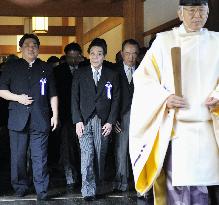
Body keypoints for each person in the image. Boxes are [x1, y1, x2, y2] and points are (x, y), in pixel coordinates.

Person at [129, 0, 219, 204]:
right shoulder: (164, 41)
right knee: (175, 188)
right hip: (176, 128)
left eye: (201, 10)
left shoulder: (217, 41)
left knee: (203, 188)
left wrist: (218, 95)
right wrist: (164, 98)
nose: (197, 15)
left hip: (208, 128)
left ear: (208, 11)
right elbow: (143, 78)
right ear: (179, 13)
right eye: (191, 10)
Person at [0, 33, 58, 201]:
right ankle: (20, 187)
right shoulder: (11, 67)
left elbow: (52, 93)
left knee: (40, 156)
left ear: (38, 49)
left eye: (34, 45)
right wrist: (19, 98)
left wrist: (55, 114)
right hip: (18, 118)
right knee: (18, 156)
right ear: (21, 48)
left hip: (40, 118)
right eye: (27, 45)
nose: (31, 48)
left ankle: (42, 189)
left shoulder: (46, 68)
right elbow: (2, 90)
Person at [71, 38, 120, 201]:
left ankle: (99, 185)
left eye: (99, 54)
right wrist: (77, 120)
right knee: (87, 154)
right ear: (88, 55)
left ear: (104, 56)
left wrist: (111, 121)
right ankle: (87, 190)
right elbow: (74, 98)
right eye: (92, 53)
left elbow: (116, 100)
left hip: (103, 121)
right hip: (84, 120)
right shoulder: (80, 73)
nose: (95, 57)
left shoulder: (111, 75)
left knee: (100, 154)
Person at [54, 42, 83, 193]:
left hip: (83, 116)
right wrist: (56, 115)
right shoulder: (58, 71)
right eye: (70, 57)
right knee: (67, 148)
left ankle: (84, 176)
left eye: (76, 57)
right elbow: (55, 95)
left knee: (83, 147)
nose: (73, 60)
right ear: (66, 56)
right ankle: (70, 178)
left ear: (80, 56)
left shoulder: (86, 69)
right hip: (65, 115)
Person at [113, 39, 140, 192]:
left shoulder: (143, 70)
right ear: (122, 53)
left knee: (140, 149)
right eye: (128, 53)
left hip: (140, 115)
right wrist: (113, 118)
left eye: (134, 53)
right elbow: (109, 98)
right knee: (121, 150)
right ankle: (121, 182)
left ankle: (139, 182)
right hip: (121, 115)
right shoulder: (113, 71)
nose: (131, 57)